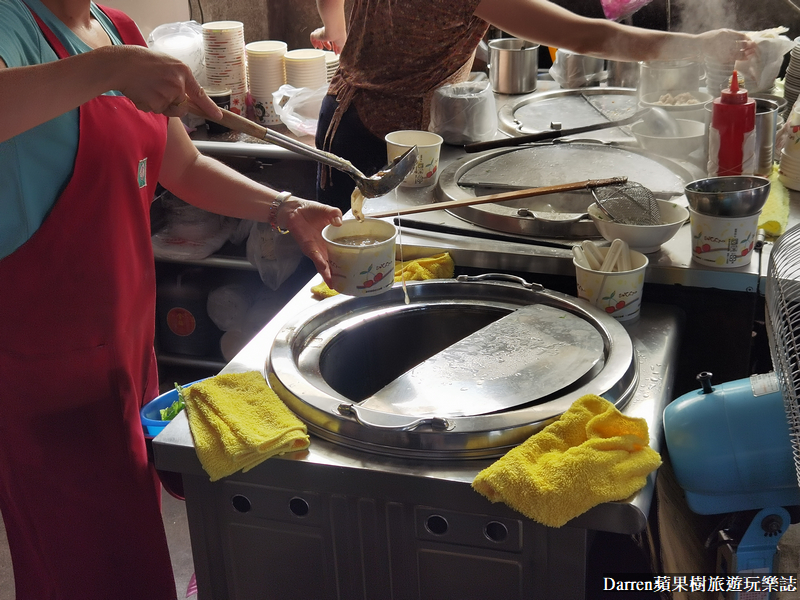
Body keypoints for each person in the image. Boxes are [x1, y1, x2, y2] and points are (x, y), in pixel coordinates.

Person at [0, 1, 342, 598]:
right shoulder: (14, 24)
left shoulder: (114, 26)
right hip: (41, 358)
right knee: (78, 558)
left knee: (129, 533)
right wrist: (108, 68)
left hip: (125, 341)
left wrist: (284, 210)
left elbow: (181, 163)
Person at [310, 0, 755, 211]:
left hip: (342, 113)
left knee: (341, 247)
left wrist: (339, 32)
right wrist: (697, 45)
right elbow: (588, 36)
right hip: (389, 145)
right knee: (360, 262)